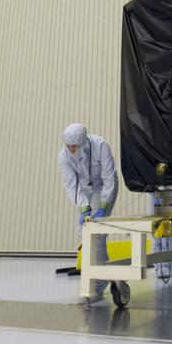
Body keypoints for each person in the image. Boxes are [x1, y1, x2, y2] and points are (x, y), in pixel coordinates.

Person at [58, 123, 118, 303]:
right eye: (68, 146)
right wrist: (84, 207)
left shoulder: (100, 146)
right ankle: (96, 275)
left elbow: (108, 178)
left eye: (74, 147)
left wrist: (102, 206)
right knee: (84, 231)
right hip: (85, 191)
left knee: (97, 231)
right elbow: (71, 185)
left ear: (83, 142)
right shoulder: (63, 156)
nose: (71, 150)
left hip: (104, 187)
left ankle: (99, 285)